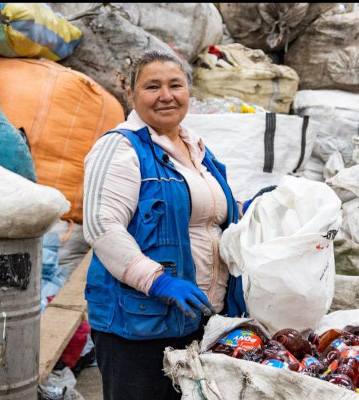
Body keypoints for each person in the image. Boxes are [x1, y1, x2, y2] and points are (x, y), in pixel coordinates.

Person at [82, 50, 246, 400]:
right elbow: (101, 225)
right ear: (131, 94)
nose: (166, 95)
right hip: (140, 324)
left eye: (176, 85)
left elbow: (212, 217)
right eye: (152, 86)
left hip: (200, 320)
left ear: (189, 91)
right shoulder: (120, 147)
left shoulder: (199, 150)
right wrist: (157, 280)